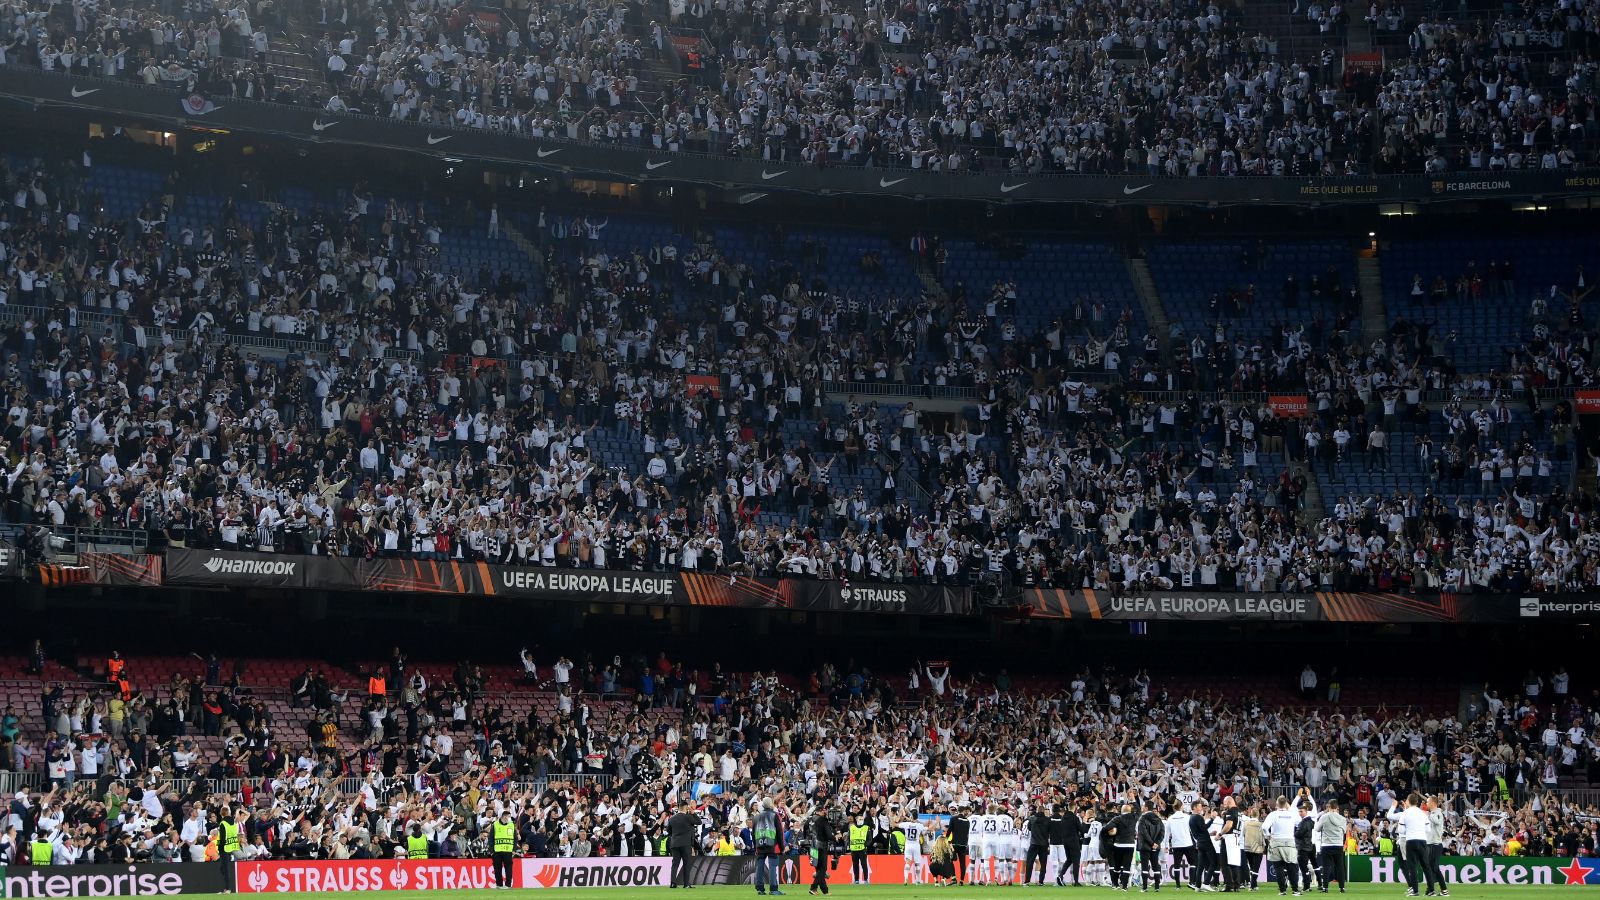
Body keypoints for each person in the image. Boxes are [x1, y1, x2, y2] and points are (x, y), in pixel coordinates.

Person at [1386, 794, 1432, 898]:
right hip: (1422, 840)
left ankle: (1415, 890)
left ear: (1408, 801)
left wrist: (1411, 830)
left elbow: (1401, 830)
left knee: (1411, 866)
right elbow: (1428, 829)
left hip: (1410, 840)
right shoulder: (1423, 813)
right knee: (1426, 866)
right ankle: (1431, 890)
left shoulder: (1405, 814)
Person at [1263, 797, 1300, 897]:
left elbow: (1264, 827)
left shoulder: (1273, 814)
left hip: (1276, 842)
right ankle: (1295, 890)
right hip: (1289, 842)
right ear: (1286, 804)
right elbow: (1300, 822)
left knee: (1278, 868)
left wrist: (1268, 836)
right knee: (1292, 867)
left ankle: (1282, 890)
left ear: (1277, 804)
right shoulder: (1292, 814)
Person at [1314, 800, 1347, 894]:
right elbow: (1343, 831)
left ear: (1329, 807)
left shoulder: (1324, 817)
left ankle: (1325, 888)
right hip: (1338, 845)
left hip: (1327, 844)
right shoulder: (1342, 818)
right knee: (1340, 867)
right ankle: (1342, 888)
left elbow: (1317, 829)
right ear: (1337, 807)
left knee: (1326, 867)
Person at [752, 798, 783, 896]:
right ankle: (773, 889)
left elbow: (753, 833)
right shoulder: (775, 815)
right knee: (773, 867)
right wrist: (782, 847)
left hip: (760, 845)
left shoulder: (756, 817)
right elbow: (780, 832)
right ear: (771, 805)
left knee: (759, 867)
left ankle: (760, 889)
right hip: (772, 845)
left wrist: (755, 847)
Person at [667, 799, 700, 889]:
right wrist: (693, 812)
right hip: (686, 844)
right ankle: (686, 884)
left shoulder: (672, 818)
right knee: (686, 864)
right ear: (686, 807)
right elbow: (699, 822)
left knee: (675, 864)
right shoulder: (688, 817)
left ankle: (673, 883)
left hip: (675, 843)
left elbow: (668, 831)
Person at [1050, 801, 1083, 887]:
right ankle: (1076, 881)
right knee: (1076, 861)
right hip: (1074, 841)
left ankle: (1060, 875)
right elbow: (1081, 829)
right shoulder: (1075, 818)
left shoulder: (1063, 817)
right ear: (1075, 807)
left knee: (1069, 860)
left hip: (1065, 842)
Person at [1107, 803, 1138, 890]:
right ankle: (1124, 886)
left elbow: (1107, 827)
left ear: (1121, 810)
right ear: (1130, 810)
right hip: (1130, 845)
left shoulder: (1117, 818)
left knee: (1117, 866)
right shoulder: (1134, 817)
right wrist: (1133, 799)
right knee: (1127, 866)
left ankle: (1115, 884)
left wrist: (1112, 832)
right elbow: (1138, 810)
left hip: (1118, 844)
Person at [1137, 801, 1167, 892]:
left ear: (1146, 807)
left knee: (1145, 867)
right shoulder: (1158, 819)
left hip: (1145, 847)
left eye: (1143, 806)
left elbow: (1143, 833)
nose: (1142, 808)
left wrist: (1151, 843)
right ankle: (1157, 887)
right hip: (1155, 847)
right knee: (1156, 866)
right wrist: (1156, 843)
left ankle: (1145, 887)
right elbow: (1162, 833)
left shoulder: (1142, 818)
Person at [807, 805, 835, 896]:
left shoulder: (809, 820)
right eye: (824, 810)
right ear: (819, 811)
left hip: (812, 847)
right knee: (822, 869)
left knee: (819, 870)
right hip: (821, 847)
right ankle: (813, 888)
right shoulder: (823, 820)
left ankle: (825, 891)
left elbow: (805, 832)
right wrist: (836, 837)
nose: (825, 812)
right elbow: (829, 835)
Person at [1423, 797, 1448, 897]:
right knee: (1433, 868)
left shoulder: (1437, 813)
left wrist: (1428, 815)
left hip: (1435, 844)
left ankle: (1432, 890)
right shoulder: (1433, 813)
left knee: (1432, 868)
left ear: (1433, 803)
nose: (1426, 803)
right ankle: (1441, 890)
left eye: (1428, 801)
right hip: (1431, 843)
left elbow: (1437, 822)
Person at [214, 806, 241, 893]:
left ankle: (228, 888)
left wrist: (219, 849)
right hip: (231, 846)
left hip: (224, 848)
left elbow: (222, 838)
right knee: (223, 868)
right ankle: (227, 886)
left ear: (221, 814)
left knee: (224, 869)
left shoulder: (223, 823)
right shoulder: (233, 821)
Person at [1025, 805, 1053, 885]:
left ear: (1037, 810)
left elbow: (1029, 828)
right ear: (1044, 811)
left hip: (1034, 843)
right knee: (1043, 864)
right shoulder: (1048, 820)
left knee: (1029, 863)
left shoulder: (1032, 819)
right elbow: (1050, 831)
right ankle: (1041, 881)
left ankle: (1027, 881)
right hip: (1044, 844)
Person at [491, 809, 517, 890]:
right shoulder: (495, 825)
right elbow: (491, 838)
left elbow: (515, 839)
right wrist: (492, 851)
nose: (509, 818)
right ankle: (499, 884)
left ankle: (508, 884)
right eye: (508, 817)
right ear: (504, 817)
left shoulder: (512, 825)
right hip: (497, 851)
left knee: (508, 869)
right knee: (497, 869)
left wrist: (514, 849)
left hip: (508, 851)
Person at [897, 814, 926, 885]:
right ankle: (918, 881)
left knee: (907, 863)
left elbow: (895, 824)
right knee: (917, 864)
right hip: (916, 845)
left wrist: (890, 817)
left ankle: (906, 878)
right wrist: (937, 822)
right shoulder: (919, 825)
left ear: (911, 817)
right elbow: (930, 828)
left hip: (908, 845)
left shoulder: (906, 824)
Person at [1242, 807, 1266, 892]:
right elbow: (1264, 835)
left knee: (1252, 866)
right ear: (1258, 814)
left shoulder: (1246, 824)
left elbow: (1243, 834)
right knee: (1255, 867)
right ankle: (1252, 886)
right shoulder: (1261, 824)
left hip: (1247, 847)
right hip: (1257, 848)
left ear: (1251, 814)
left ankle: (1254, 885)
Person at [950, 804, 971, 885]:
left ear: (958, 811)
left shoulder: (953, 819)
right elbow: (967, 833)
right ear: (963, 811)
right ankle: (962, 881)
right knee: (962, 863)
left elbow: (949, 830)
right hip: (963, 844)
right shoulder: (967, 821)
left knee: (950, 860)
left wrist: (947, 839)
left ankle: (954, 878)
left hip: (954, 844)